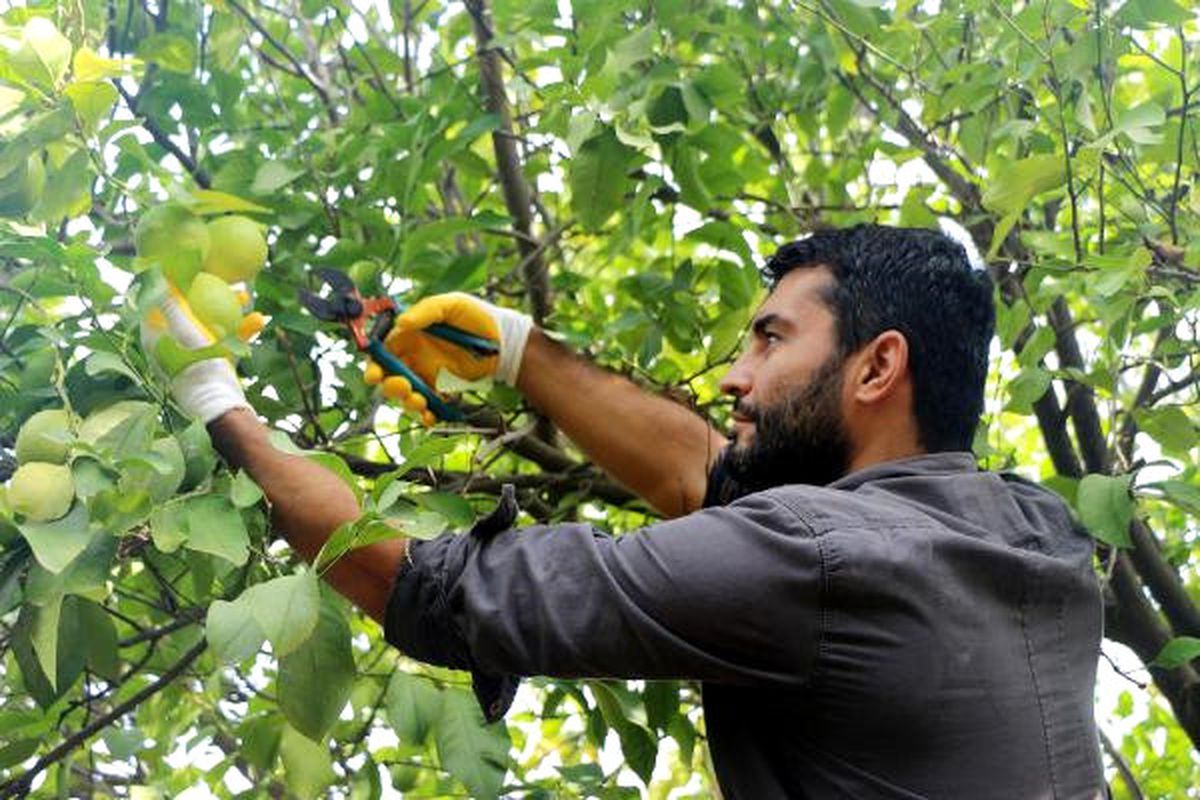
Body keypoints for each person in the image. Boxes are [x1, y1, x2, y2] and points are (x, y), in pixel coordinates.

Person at [149, 223, 1105, 799]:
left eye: (771, 340)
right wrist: (520, 351)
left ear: (878, 366)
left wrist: (210, 399)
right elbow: (716, 482)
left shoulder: (816, 560)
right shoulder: (1033, 530)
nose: (736, 376)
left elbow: (432, 590)